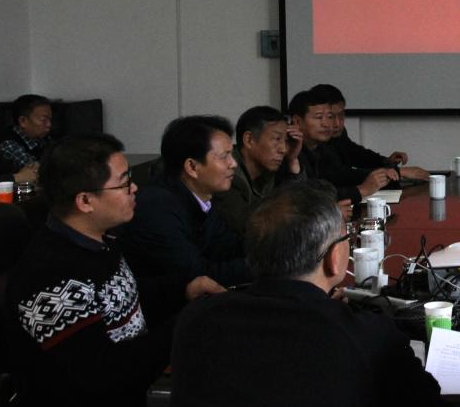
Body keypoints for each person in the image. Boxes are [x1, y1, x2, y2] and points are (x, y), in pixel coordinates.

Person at [170, 179, 449, 407]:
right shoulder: (367, 335)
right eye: (346, 239)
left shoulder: (196, 320)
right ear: (334, 258)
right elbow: (426, 404)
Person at [4, 133, 224, 407]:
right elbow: (104, 374)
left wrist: (185, 289)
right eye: (123, 183)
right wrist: (187, 323)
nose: (135, 188)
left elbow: (119, 298)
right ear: (85, 201)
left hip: (133, 394)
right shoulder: (51, 276)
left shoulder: (98, 240)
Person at [119, 115, 251, 287]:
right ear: (192, 167)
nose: (233, 164)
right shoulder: (156, 206)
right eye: (224, 156)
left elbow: (229, 248)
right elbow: (196, 275)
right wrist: (262, 267)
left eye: (231, 154)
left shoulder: (202, 198)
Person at [289, 89, 397, 214]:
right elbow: (308, 198)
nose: (327, 124)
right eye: (319, 117)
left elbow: (342, 176)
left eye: (329, 117)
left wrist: (381, 173)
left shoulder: (322, 147)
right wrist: (361, 190)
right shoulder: (290, 150)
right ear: (297, 121)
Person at [213, 105, 304, 236]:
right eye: (277, 139)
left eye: (286, 141)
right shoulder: (227, 175)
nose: (283, 149)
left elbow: (301, 205)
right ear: (249, 140)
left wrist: (293, 161)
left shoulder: (272, 169)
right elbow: (251, 226)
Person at [310, 83, 429, 181]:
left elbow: (356, 154)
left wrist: (386, 162)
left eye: (341, 115)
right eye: (330, 117)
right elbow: (340, 175)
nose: (337, 123)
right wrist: (398, 172)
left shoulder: (337, 134)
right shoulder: (314, 141)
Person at [0, 93, 54, 171]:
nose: (49, 124)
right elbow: (37, 171)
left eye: (50, 119)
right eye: (43, 119)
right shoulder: (9, 143)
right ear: (23, 121)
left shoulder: (44, 139)